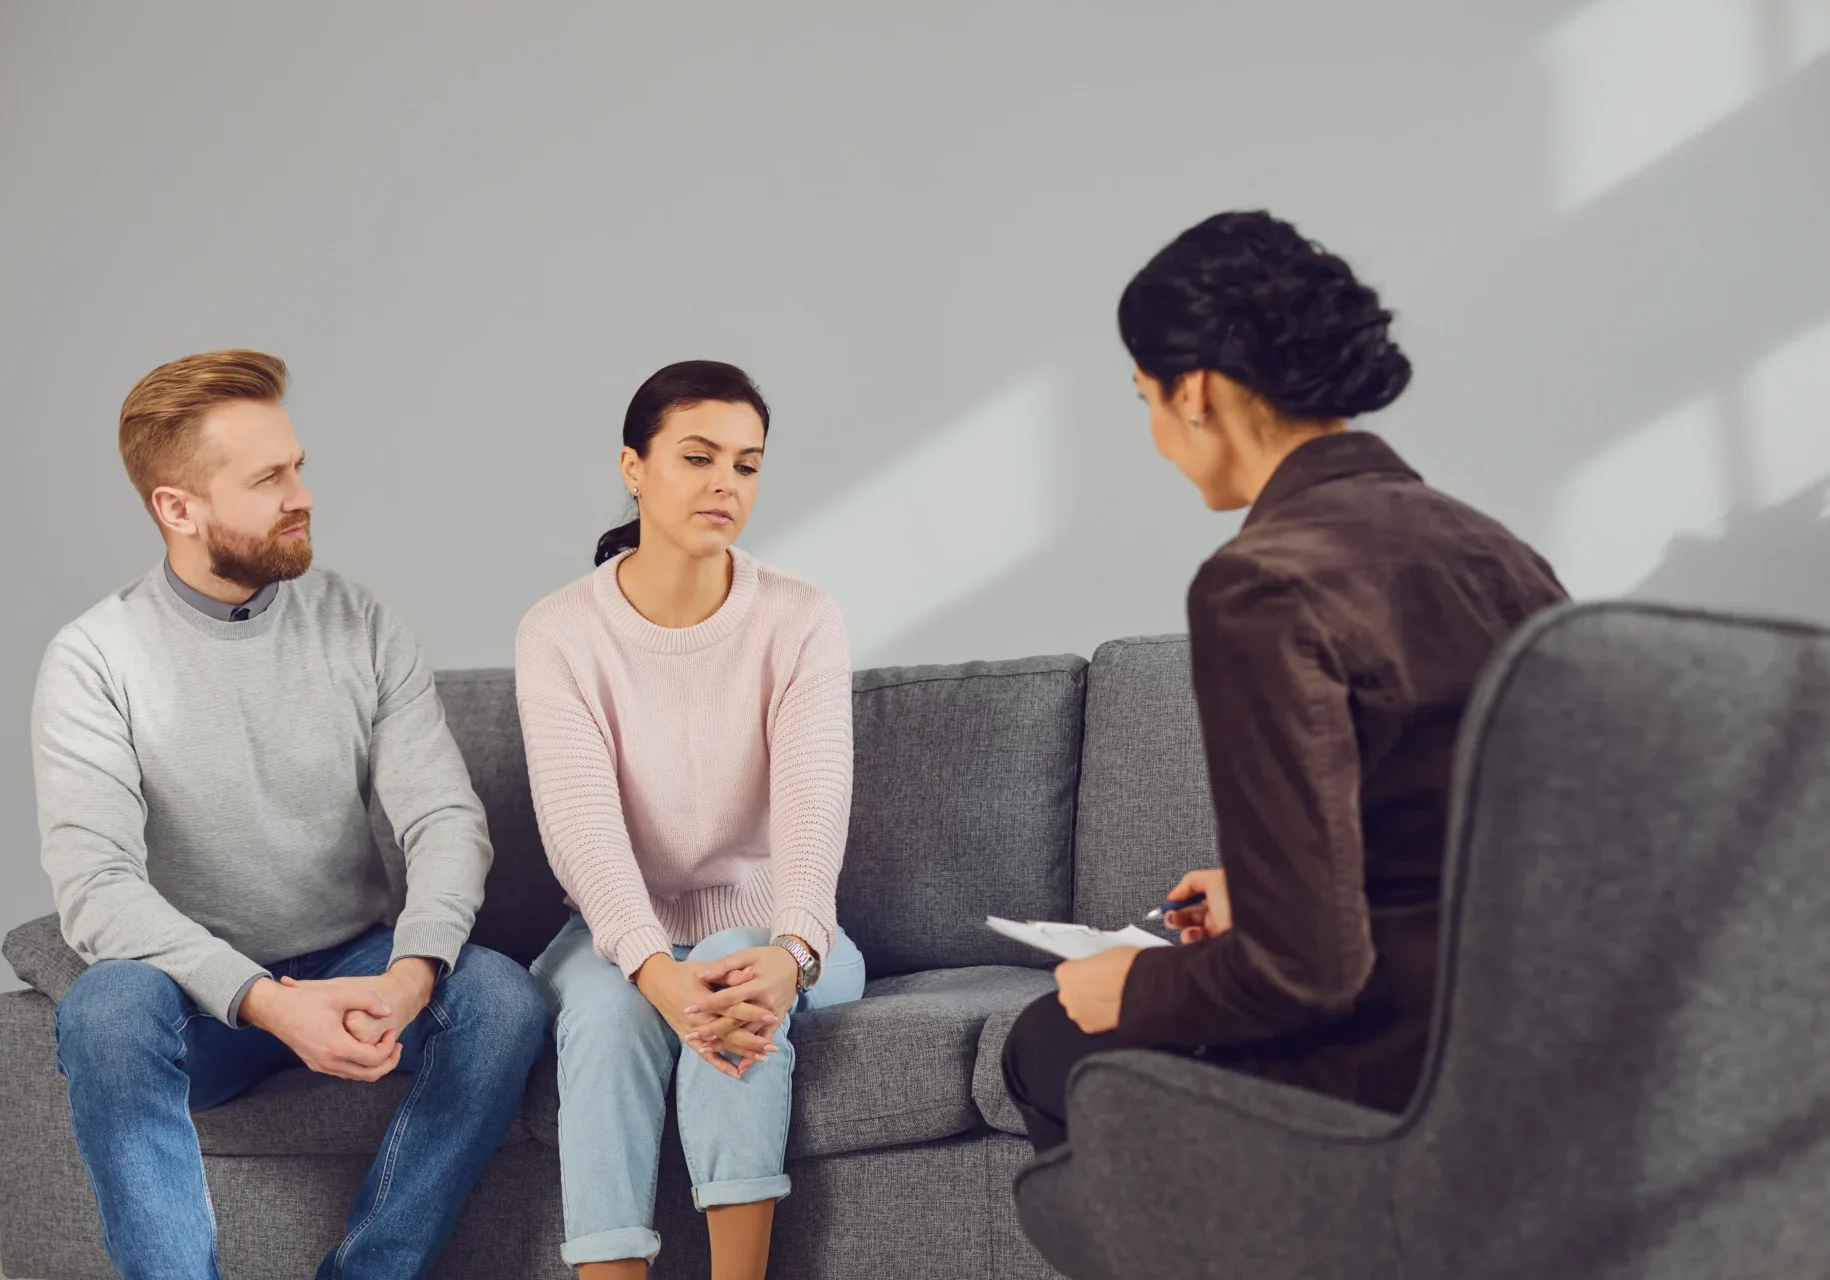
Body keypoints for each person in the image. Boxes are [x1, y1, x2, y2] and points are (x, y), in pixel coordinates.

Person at [1001, 211, 1569, 1152]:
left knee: (1054, 1039)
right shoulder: (1496, 549)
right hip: (1533, 1040)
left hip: (1386, 1074)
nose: (1153, 434)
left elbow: (1307, 973)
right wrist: (1265, 891)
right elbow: (1478, 839)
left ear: (1195, 392)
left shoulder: (1259, 582)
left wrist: (1131, 987)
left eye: (1144, 396)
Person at [33, 351, 549, 1279]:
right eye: (268, 478)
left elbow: (444, 818)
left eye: (298, 465)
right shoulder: (94, 659)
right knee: (104, 1009)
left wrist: (413, 972)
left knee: (501, 998)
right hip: (204, 999)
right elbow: (95, 888)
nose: (301, 494)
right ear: (177, 508)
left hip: (356, 965)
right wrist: (267, 1003)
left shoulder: (359, 621)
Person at [516, 360, 863, 1279]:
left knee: (734, 981)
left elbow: (815, 806)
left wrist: (793, 952)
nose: (726, 485)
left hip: (780, 929)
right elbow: (580, 826)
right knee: (600, 1013)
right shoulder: (558, 632)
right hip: (612, 936)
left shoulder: (800, 618)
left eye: (747, 465)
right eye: (699, 457)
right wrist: (651, 968)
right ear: (634, 468)